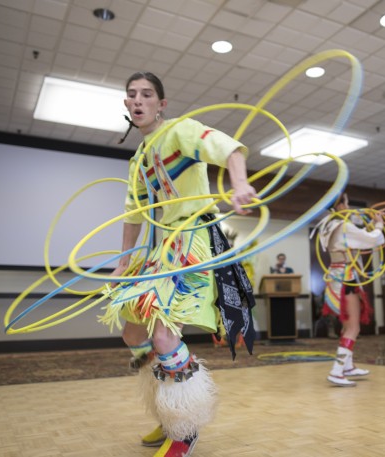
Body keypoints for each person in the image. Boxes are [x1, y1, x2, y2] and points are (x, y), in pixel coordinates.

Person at [106, 72, 257, 456]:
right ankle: (167, 412)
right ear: (127, 105)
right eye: (131, 95)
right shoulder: (138, 158)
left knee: (163, 336)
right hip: (159, 250)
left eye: (147, 94)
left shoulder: (180, 132)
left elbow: (228, 148)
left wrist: (239, 184)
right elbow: (133, 213)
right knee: (133, 335)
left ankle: (185, 429)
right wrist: (123, 264)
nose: (137, 100)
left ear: (161, 104)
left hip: (193, 241)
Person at [316, 193, 385, 387]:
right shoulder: (343, 226)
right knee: (353, 326)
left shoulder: (327, 225)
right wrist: (378, 225)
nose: (348, 206)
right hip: (346, 277)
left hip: (337, 276)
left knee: (348, 325)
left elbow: (355, 240)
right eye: (346, 202)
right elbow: (371, 240)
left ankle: (347, 366)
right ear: (339, 206)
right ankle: (337, 371)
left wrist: (369, 224)